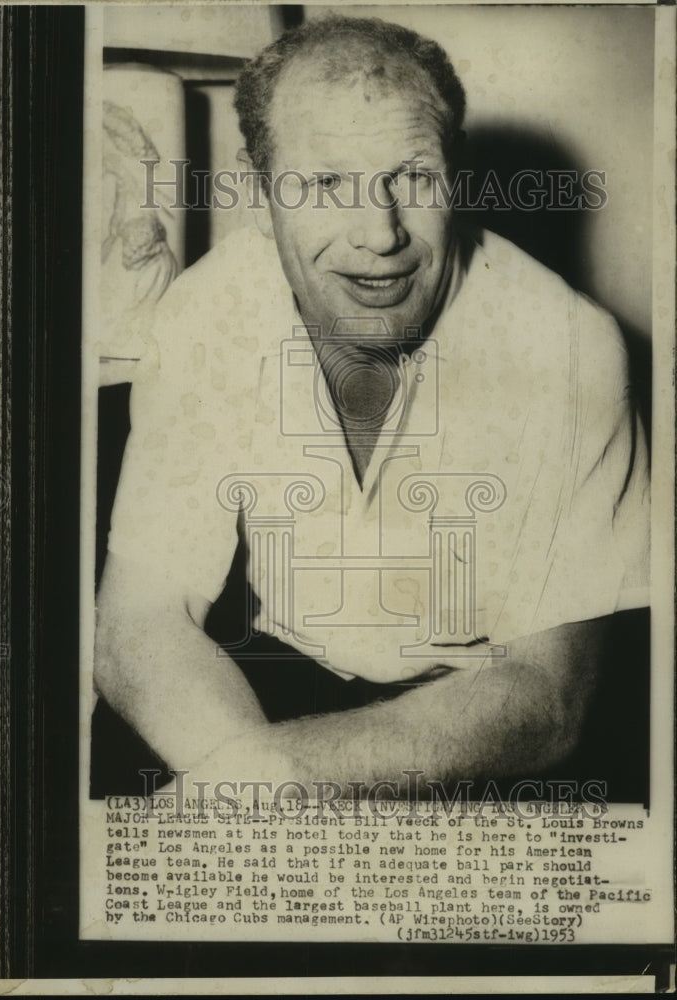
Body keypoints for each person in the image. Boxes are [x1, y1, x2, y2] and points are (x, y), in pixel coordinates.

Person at [92, 16, 650, 800]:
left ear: (454, 174)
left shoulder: (571, 346)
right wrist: (248, 779)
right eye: (325, 184)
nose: (379, 234)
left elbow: (549, 696)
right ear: (259, 192)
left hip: (478, 725)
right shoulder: (206, 314)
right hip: (260, 690)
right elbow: (140, 622)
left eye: (413, 178)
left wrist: (278, 778)